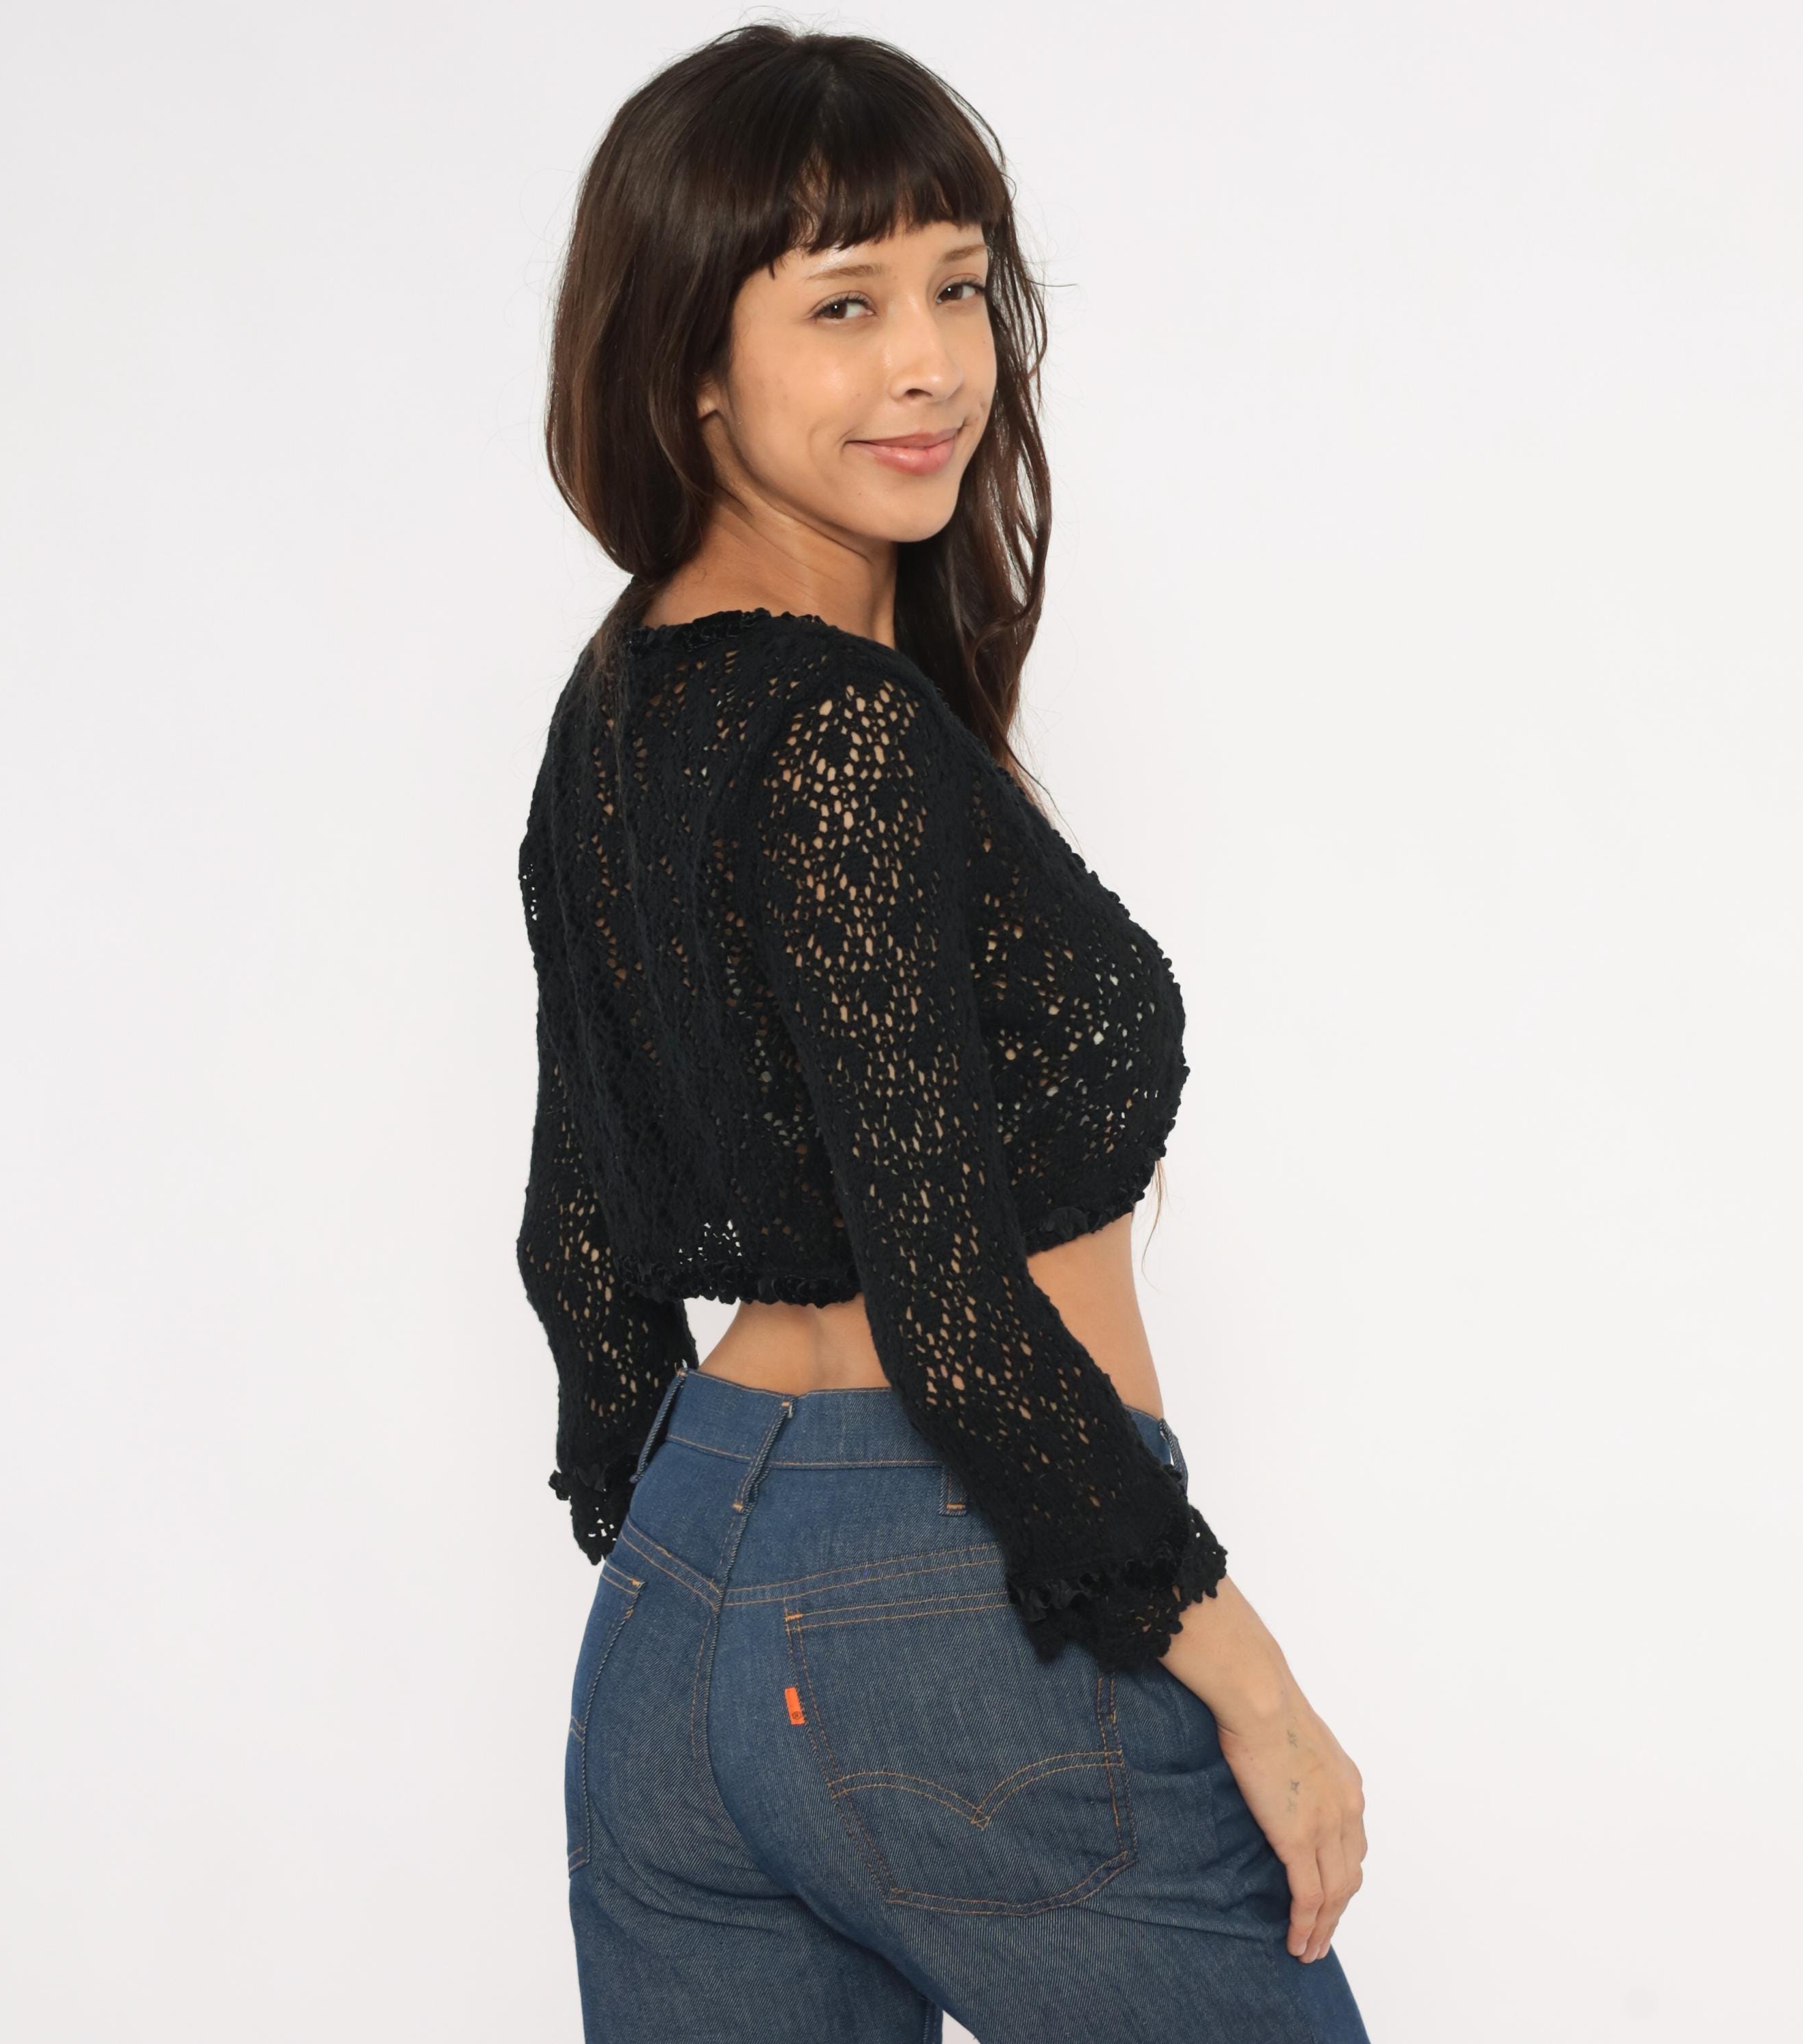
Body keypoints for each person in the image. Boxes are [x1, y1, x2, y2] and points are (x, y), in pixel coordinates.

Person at [516, 25, 1371, 2042]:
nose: (930, 364)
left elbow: (578, 1242)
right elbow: (957, 1320)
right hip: (958, 1595)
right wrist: (1253, 1683)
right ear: (690, 361)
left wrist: (728, 1605)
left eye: (959, 288)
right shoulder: (842, 736)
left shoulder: (616, 708)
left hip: (673, 1638)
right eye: (844, 305)